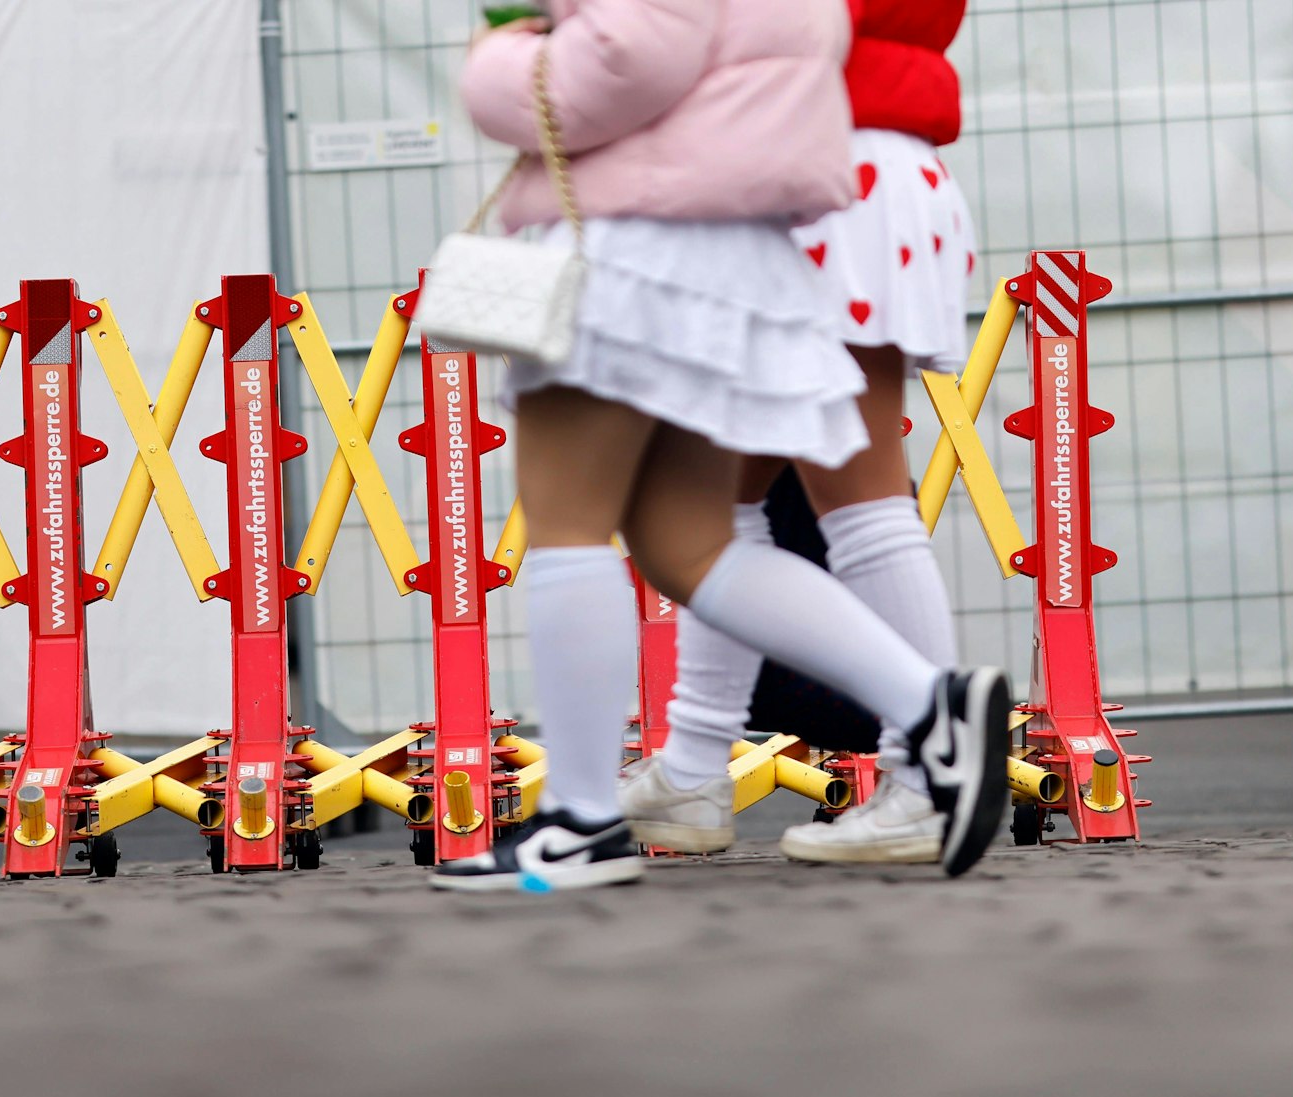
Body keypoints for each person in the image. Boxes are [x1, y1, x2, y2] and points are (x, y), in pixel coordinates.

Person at [431, 0, 1009, 893]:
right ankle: (930, 706)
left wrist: (500, 58)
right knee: (691, 540)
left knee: (569, 523)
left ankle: (580, 818)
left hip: (635, 239)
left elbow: (624, 57)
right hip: (723, 245)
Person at [618, 0, 979, 866]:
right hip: (859, 164)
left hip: (807, 169)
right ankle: (696, 768)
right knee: (730, 499)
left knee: (843, 494)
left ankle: (928, 768)